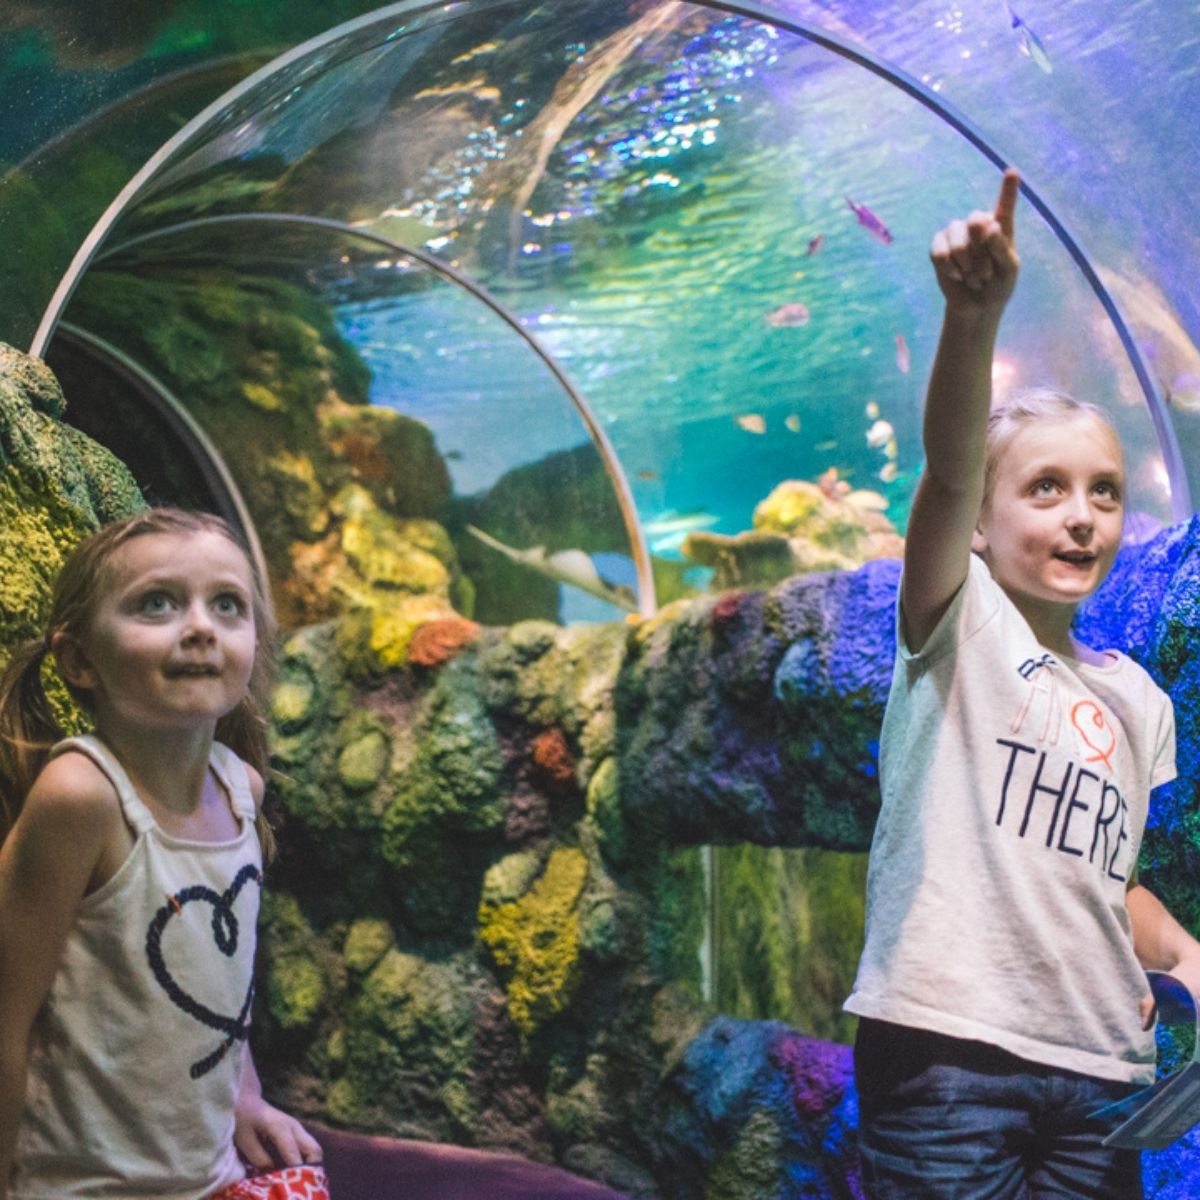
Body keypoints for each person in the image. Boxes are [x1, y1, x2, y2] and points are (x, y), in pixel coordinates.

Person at [844, 170, 1200, 1198]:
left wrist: (1182, 950)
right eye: (1045, 488)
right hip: (950, 1060)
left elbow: (1097, 871)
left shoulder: (1138, 699)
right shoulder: (956, 626)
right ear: (986, 531)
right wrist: (974, 319)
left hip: (1099, 1072)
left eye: (1104, 492)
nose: (1082, 514)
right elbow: (950, 469)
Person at [0, 509, 326, 1199]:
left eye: (227, 605)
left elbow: (218, 991)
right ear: (79, 659)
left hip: (206, 1180)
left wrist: (246, 1096)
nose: (201, 626)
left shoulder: (242, 789)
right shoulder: (81, 797)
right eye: (158, 602)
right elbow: (5, 1016)